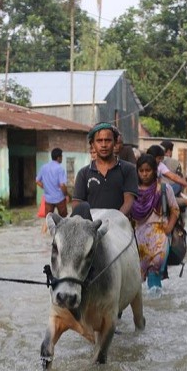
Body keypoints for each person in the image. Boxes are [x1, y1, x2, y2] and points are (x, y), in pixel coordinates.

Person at [131, 154, 180, 290]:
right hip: (139, 239)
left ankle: (156, 307)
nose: (145, 174)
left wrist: (169, 227)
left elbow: (175, 210)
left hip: (159, 237)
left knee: (154, 273)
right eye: (141, 171)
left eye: (148, 170)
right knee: (139, 280)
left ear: (154, 171)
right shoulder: (132, 191)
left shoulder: (164, 189)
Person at [72, 122, 138, 216]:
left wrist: (115, 220)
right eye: (99, 140)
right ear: (92, 144)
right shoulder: (84, 173)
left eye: (108, 140)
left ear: (115, 142)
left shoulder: (128, 169)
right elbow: (76, 203)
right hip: (93, 227)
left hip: (120, 227)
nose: (103, 145)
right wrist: (88, 222)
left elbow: (129, 201)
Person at [36, 147, 70, 217]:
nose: (62, 158)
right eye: (61, 156)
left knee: (48, 219)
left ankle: (45, 228)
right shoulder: (60, 169)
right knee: (63, 218)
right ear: (58, 158)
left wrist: (45, 187)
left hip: (48, 198)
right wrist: (66, 195)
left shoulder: (44, 167)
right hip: (60, 198)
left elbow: (37, 181)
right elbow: (62, 185)